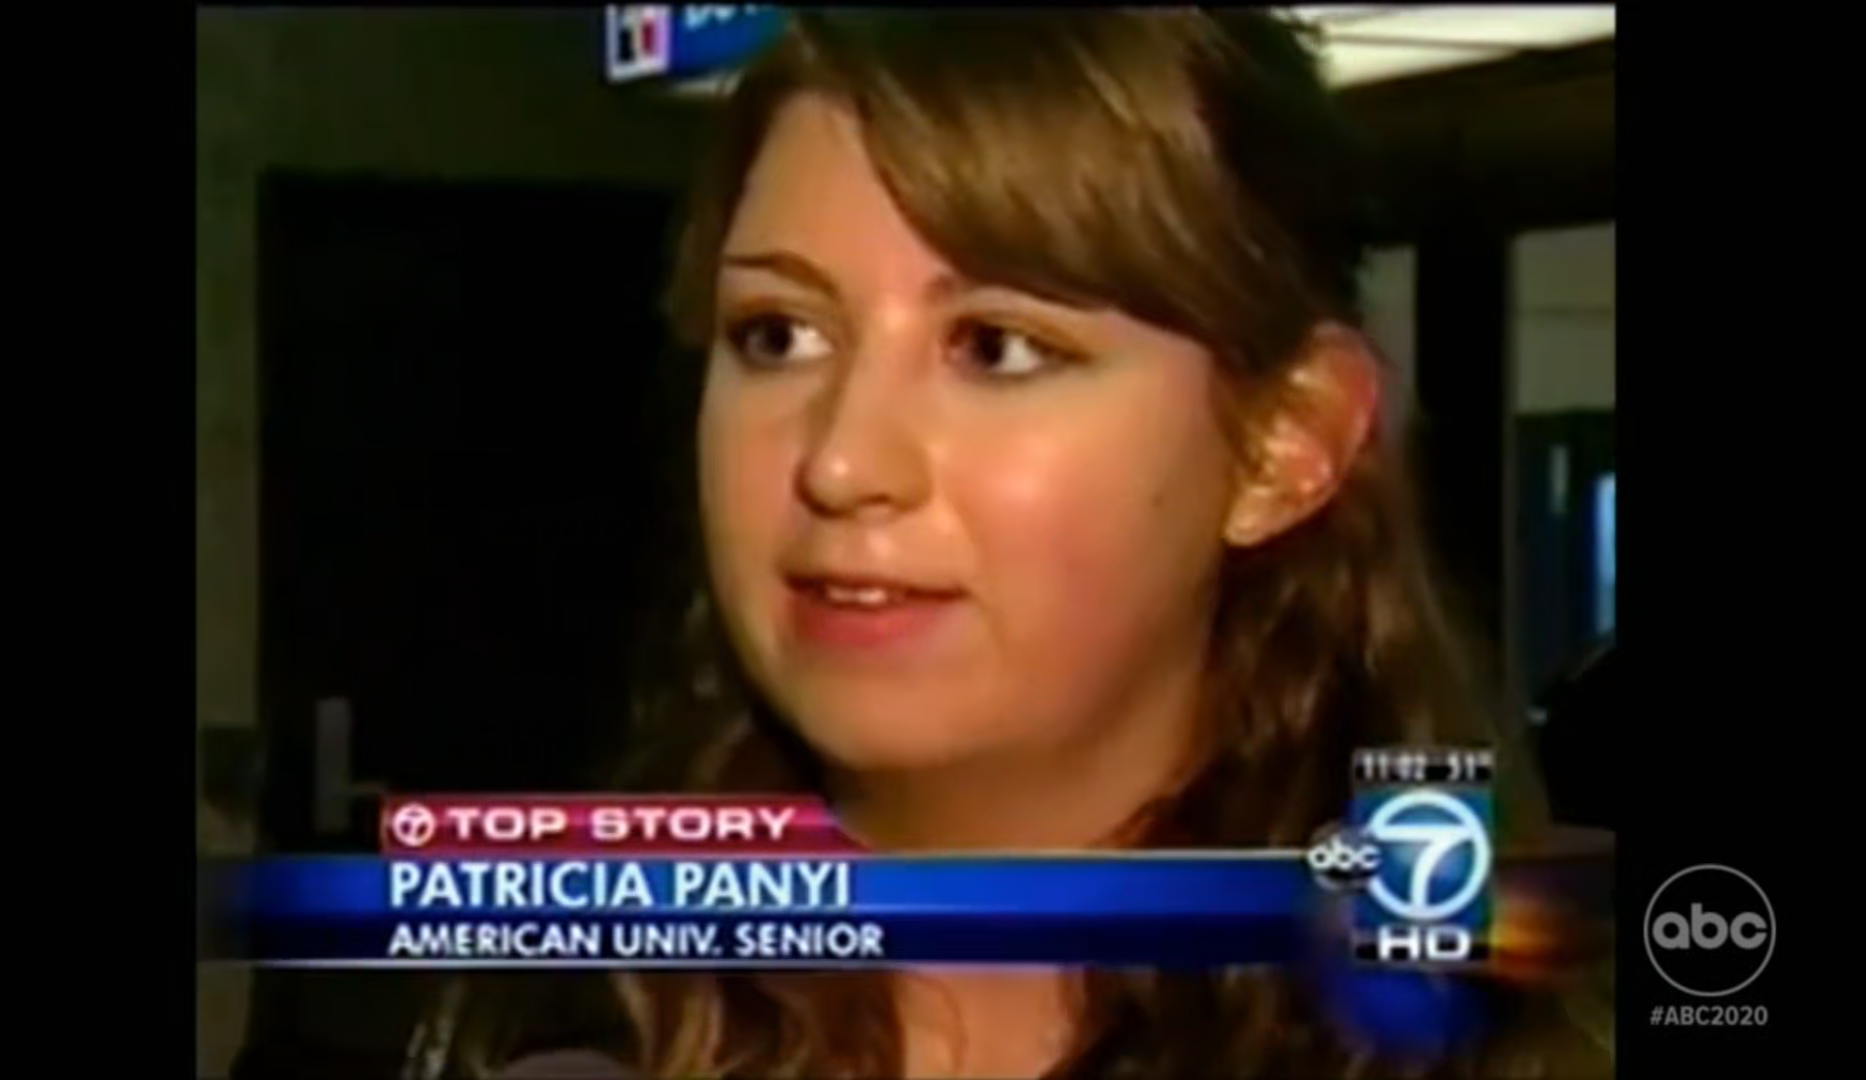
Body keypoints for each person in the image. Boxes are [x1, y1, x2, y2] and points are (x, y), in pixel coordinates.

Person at [424, 10, 1612, 1078]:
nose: (842, 462)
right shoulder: (563, 1028)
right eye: (778, 334)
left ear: (1283, 445)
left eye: (997, 348)